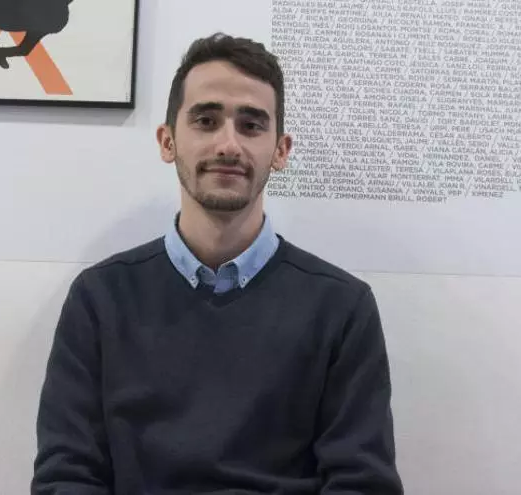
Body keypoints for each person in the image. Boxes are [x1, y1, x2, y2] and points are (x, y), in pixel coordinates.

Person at [31, 32, 404, 494]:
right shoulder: (99, 299)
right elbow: (67, 476)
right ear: (168, 141)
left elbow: (362, 483)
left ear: (281, 150)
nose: (229, 145)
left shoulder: (342, 307)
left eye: (251, 125)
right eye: (206, 121)